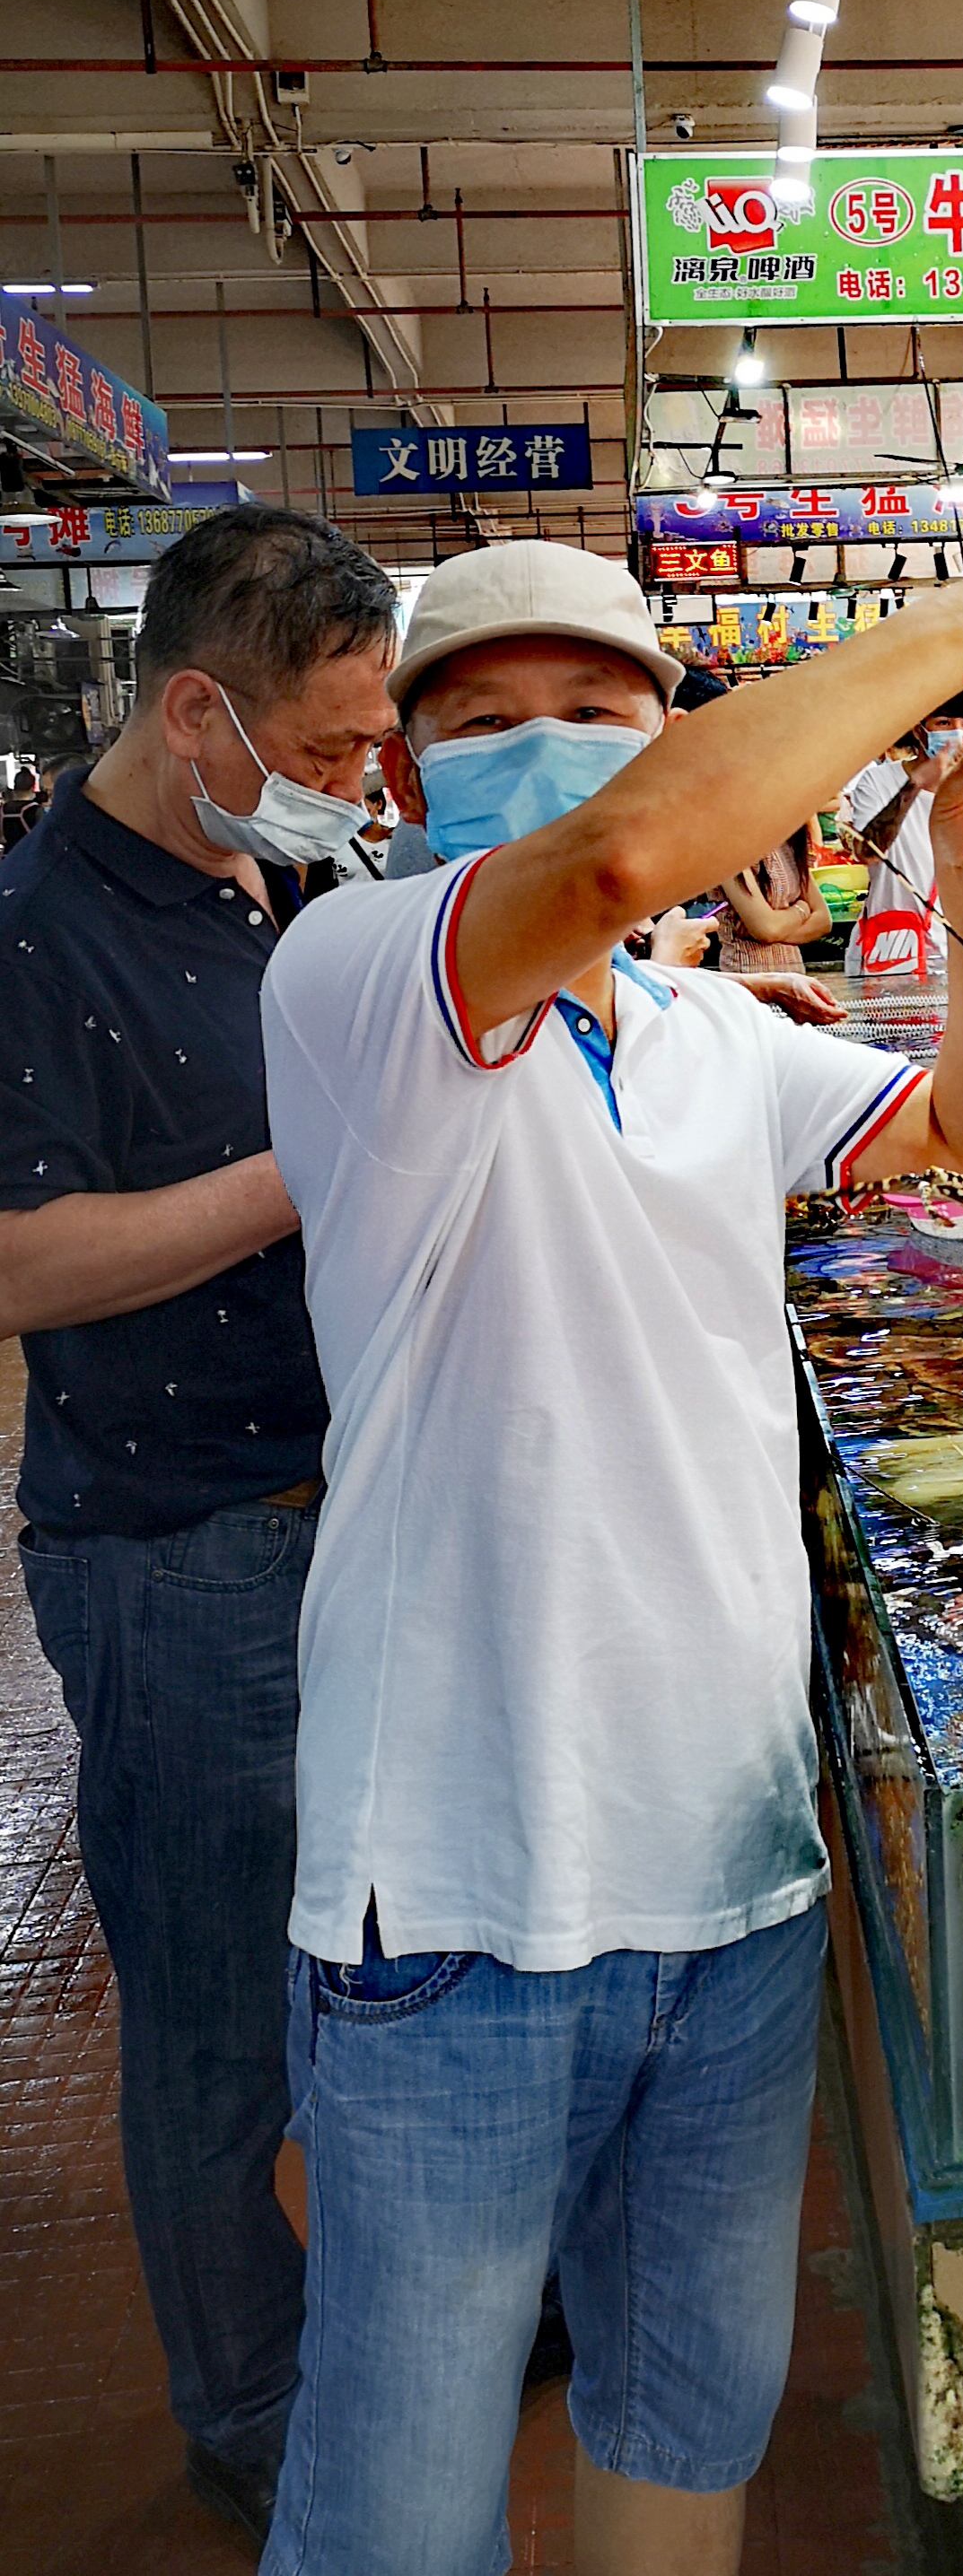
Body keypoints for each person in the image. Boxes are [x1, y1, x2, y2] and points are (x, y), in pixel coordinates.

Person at [253, 529, 963, 2576]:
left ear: (666, 720)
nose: (548, 753)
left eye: (595, 708)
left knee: (686, 2411)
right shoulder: (362, 981)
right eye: (485, 723)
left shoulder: (705, 1035)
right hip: (459, 1900)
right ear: (401, 781)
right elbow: (607, 859)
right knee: (396, 2501)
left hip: (734, 1879)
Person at [0, 504, 398, 2547]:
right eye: (327, 747)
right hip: (174, 1553)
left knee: (343, 1960)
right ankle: (248, 2394)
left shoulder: (250, 879)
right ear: (194, 709)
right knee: (209, 2010)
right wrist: (298, 1175)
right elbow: (27, 1257)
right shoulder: (39, 928)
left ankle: (354, 2323)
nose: (356, 783)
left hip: (324, 1513)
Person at [837, 692, 963, 976]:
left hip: (961, 953)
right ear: (919, 729)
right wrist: (915, 785)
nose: (957, 732)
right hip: (890, 948)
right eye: (943, 722)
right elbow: (866, 852)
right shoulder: (879, 781)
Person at [713, 819, 832, 976]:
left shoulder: (787, 840)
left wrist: (773, 929)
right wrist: (801, 909)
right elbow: (768, 929)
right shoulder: (730, 848)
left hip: (795, 976)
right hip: (748, 977)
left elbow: (823, 921)